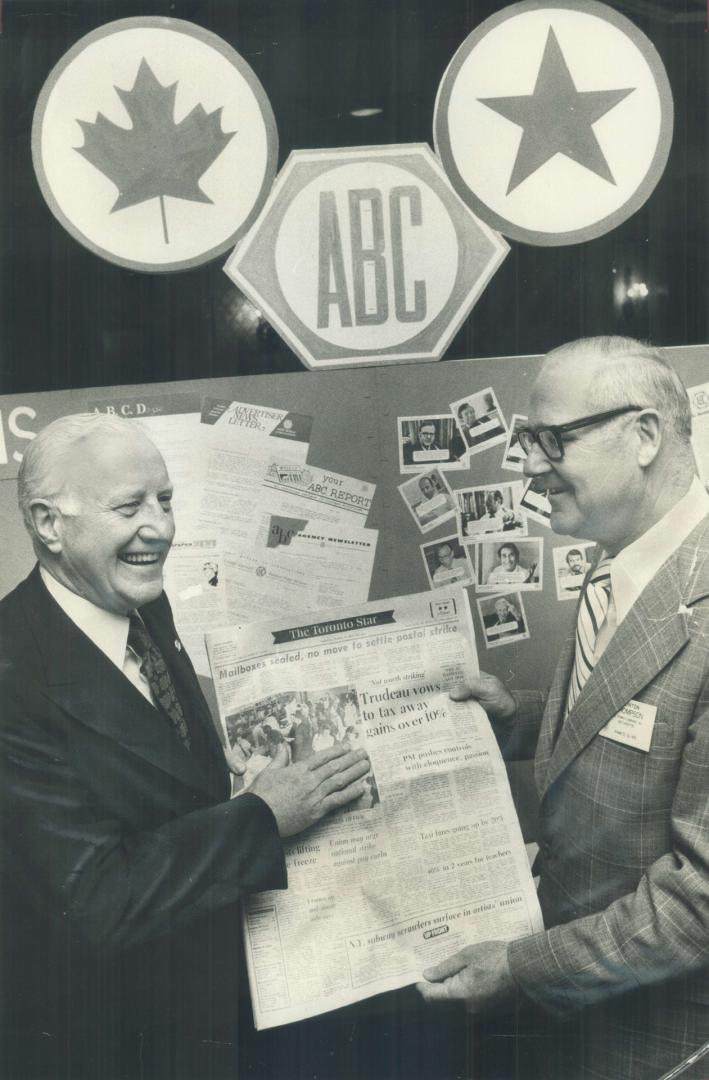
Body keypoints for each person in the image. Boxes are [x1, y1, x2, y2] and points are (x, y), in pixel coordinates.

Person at [0, 413, 370, 1079]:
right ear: (48, 523)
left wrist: (230, 787)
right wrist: (262, 815)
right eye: (130, 506)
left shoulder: (141, 602)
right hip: (106, 1044)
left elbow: (158, 780)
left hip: (208, 1015)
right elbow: (95, 899)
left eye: (165, 500)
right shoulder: (9, 674)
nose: (161, 528)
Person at [417, 337, 709, 1079]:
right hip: (587, 1022)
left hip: (659, 1045)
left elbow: (698, 905)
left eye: (554, 440)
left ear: (643, 435)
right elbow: (637, 719)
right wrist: (516, 717)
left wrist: (521, 969)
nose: (532, 466)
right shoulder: (620, 564)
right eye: (525, 441)